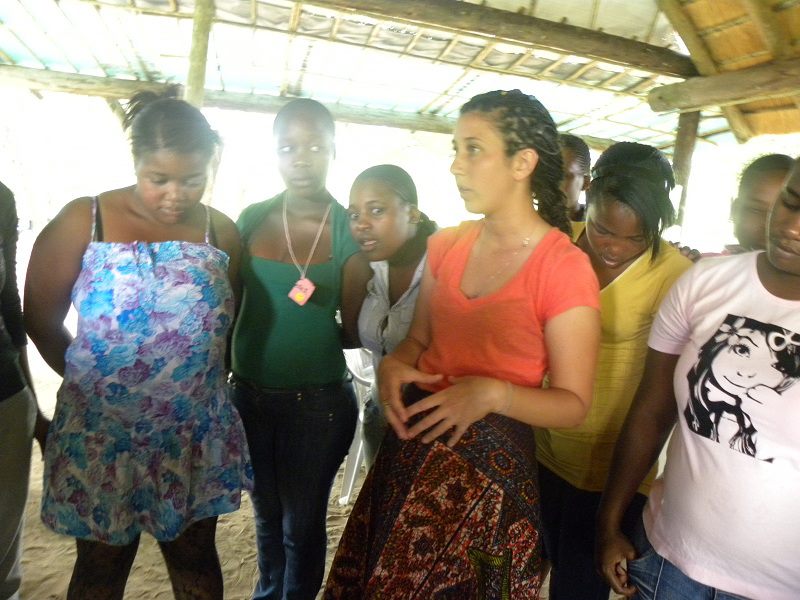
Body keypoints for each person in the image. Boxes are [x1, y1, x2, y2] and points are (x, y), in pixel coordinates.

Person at [325, 89, 601, 598]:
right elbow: (420, 339)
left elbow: (573, 404)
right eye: (455, 148)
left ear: (523, 163)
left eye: (473, 149)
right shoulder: (446, 245)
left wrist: (494, 394)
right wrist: (394, 365)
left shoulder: (563, 268)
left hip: (489, 486)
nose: (456, 165)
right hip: (413, 455)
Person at [23, 88, 252, 600]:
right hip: (103, 433)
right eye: (159, 179)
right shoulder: (85, 220)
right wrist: (98, 383)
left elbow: (226, 323)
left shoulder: (221, 231)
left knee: (194, 556)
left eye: (193, 180)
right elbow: (39, 317)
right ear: (135, 163)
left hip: (190, 433)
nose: (176, 194)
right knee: (103, 562)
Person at [596, 157, 800, 599]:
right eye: (791, 202)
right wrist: (610, 523)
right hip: (668, 561)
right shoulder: (705, 282)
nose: (792, 227)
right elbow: (651, 410)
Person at [535, 142, 692, 600]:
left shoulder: (674, 273)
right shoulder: (556, 244)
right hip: (541, 445)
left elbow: (662, 395)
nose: (615, 248)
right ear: (589, 192)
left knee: (578, 587)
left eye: (636, 238)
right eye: (604, 230)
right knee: (528, 566)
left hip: (612, 467)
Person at [230, 98, 372, 600]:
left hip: (315, 405)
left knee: (301, 523)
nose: (302, 158)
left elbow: (352, 330)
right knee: (266, 516)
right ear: (274, 152)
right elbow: (230, 303)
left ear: (334, 150)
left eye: (315, 146)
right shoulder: (251, 218)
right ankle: (268, 594)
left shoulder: (346, 228)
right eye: (289, 146)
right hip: (246, 396)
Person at [347, 164, 437, 468]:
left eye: (376, 210)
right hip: (380, 416)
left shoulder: (447, 263)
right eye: (354, 214)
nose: (361, 224)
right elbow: (350, 336)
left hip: (433, 427)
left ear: (412, 213)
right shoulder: (369, 267)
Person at [0, 182, 49, 600]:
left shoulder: (0, 198)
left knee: (2, 559)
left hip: (6, 398)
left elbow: (8, 304)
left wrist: (33, 402)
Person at [728, 153, 794, 253]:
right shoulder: (706, 267)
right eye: (756, 210)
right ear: (735, 211)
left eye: (788, 214)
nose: (769, 228)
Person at [560, 133, 591, 221]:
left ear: (585, 183)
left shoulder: (593, 231)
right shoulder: (523, 223)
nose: (552, 183)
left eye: (564, 176)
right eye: (548, 173)